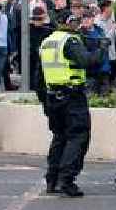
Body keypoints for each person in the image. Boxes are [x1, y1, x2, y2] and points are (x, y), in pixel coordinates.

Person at [39, 14, 107, 198]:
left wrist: (44, 101)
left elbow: (39, 76)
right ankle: (66, 179)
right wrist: (102, 49)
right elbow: (87, 61)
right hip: (71, 96)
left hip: (53, 95)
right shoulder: (70, 42)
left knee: (59, 137)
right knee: (78, 136)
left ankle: (52, 180)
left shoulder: (47, 42)